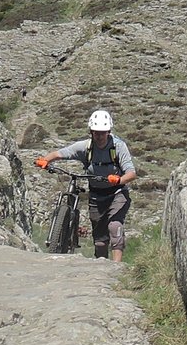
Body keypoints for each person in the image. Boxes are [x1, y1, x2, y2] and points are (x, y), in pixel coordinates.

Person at [35, 110, 137, 261]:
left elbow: (131, 173)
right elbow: (60, 153)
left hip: (117, 193)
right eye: (96, 133)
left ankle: (117, 267)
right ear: (91, 132)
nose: (100, 136)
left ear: (109, 132)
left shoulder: (118, 147)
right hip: (96, 196)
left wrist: (118, 180)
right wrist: (45, 160)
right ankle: (100, 266)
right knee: (100, 242)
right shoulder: (86, 147)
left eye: (103, 133)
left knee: (114, 226)